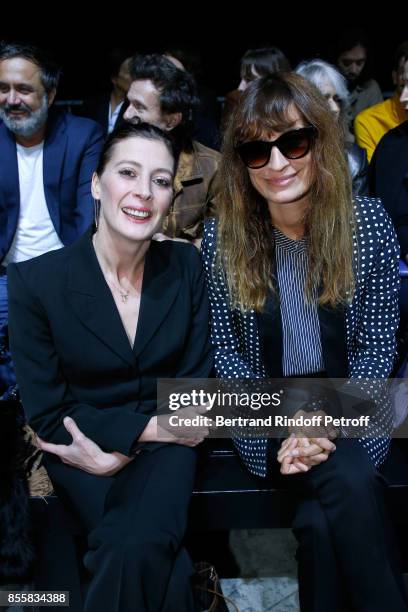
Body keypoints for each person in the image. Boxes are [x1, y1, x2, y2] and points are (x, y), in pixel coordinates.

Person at [201, 73, 407, 611]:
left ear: (319, 142)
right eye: (256, 149)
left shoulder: (368, 224)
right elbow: (227, 353)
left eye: (293, 142)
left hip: (354, 401)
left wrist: (323, 417)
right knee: (351, 486)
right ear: (240, 163)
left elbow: (378, 350)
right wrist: (288, 424)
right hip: (264, 413)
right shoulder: (222, 238)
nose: (277, 164)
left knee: (319, 527)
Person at [8, 122, 213, 612]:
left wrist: (124, 446)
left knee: (132, 546)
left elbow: (195, 392)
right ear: (97, 183)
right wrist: (145, 430)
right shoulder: (36, 282)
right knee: (166, 573)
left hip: (164, 454)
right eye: (128, 173)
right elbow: (46, 413)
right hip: (80, 453)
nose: (144, 192)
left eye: (161, 180)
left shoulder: (186, 267)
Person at [0, 41, 104, 396]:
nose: (11, 99)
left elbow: (87, 217)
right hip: (5, 276)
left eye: (24, 89)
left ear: (51, 93)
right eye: (3, 89)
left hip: (64, 271)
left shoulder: (82, 134)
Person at [124, 53, 220, 244]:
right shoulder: (116, 158)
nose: (127, 114)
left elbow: (224, 245)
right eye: (128, 103)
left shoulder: (213, 169)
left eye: (139, 107)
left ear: (171, 120)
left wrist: (186, 250)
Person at [296, 58, 368, 195]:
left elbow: (358, 212)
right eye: (324, 98)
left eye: (336, 99)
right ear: (302, 104)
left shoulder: (355, 159)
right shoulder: (284, 154)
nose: (335, 109)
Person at [354, 40, 408, 161]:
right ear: (395, 77)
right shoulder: (368, 122)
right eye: (404, 85)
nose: (405, 97)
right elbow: (381, 176)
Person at [221, 45, 291, 130]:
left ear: (274, 81)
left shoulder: (295, 114)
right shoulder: (236, 106)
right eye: (242, 79)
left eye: (249, 79)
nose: (240, 87)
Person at [332, 28, 383, 124]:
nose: (353, 70)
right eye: (347, 63)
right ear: (336, 59)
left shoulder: (371, 88)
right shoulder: (325, 85)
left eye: (359, 63)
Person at [80, 48, 133, 136]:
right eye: (130, 72)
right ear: (114, 79)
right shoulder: (93, 105)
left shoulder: (134, 107)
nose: (136, 76)